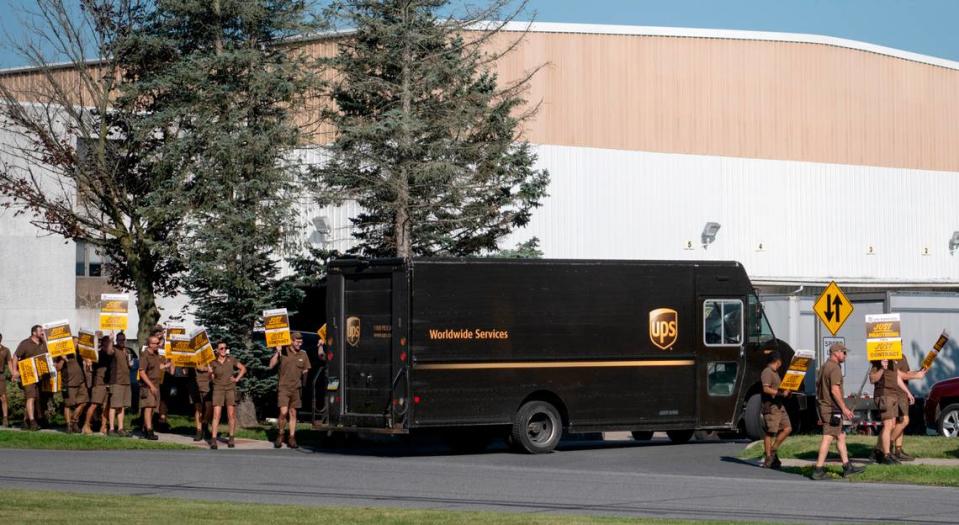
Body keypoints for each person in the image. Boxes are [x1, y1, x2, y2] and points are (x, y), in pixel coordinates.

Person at [811, 343, 865, 480]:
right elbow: (835, 391)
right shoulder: (834, 368)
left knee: (841, 436)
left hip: (826, 407)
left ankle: (847, 467)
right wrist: (844, 409)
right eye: (844, 353)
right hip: (831, 409)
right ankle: (818, 469)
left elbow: (819, 387)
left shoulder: (824, 366)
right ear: (836, 352)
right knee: (828, 437)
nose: (845, 355)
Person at [269, 331, 311, 449]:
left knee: (293, 413)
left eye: (301, 341)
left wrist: (304, 381)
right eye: (297, 341)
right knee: (283, 412)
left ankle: (292, 437)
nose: (300, 343)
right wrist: (277, 352)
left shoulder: (303, 354)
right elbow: (271, 365)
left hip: (296, 388)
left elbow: (306, 369)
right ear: (291, 341)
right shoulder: (283, 351)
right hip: (283, 387)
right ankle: (281, 434)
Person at [870, 357, 912, 464]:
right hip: (884, 395)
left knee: (892, 425)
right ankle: (886, 455)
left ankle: (880, 452)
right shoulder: (878, 361)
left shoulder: (894, 361)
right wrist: (882, 368)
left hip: (893, 396)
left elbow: (897, 378)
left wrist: (907, 392)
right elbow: (872, 379)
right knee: (888, 425)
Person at [209, 341, 247, 449]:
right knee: (217, 415)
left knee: (231, 415)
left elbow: (243, 368)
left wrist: (236, 379)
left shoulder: (231, 359)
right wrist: (210, 373)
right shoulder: (212, 362)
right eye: (221, 348)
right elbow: (210, 378)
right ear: (216, 350)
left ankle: (231, 438)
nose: (224, 350)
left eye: (225, 348)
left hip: (230, 388)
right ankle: (214, 440)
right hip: (218, 389)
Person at [890, 357, 926, 461]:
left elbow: (907, 372)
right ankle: (887, 445)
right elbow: (899, 375)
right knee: (901, 422)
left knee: (901, 422)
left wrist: (918, 372)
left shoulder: (903, 357)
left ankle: (898, 450)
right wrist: (916, 376)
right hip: (894, 393)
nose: (900, 345)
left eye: (900, 342)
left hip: (902, 394)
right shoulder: (890, 358)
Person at [760, 352, 791, 469]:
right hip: (771, 406)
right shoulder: (767, 372)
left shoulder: (775, 373)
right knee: (770, 432)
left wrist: (786, 392)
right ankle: (768, 457)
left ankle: (773, 450)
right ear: (777, 361)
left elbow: (777, 388)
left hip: (779, 405)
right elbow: (766, 389)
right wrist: (780, 393)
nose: (781, 364)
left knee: (788, 428)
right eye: (780, 362)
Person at [138, 335, 172, 440]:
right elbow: (142, 372)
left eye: (158, 343)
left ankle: (146, 428)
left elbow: (158, 367)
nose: (158, 345)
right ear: (150, 344)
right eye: (156, 343)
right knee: (148, 408)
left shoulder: (156, 354)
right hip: (148, 386)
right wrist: (151, 386)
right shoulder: (145, 355)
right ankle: (149, 431)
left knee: (152, 408)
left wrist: (167, 365)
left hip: (156, 385)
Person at [13, 325, 47, 430]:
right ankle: (32, 422)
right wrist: (15, 371)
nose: (42, 332)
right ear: (34, 333)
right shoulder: (25, 343)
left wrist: (45, 339)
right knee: (31, 397)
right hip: (28, 375)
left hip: (40, 376)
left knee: (34, 398)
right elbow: (15, 356)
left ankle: (26, 421)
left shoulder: (43, 343)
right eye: (40, 330)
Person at [58, 340, 89, 433]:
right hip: (68, 383)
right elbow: (57, 368)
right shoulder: (63, 353)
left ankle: (74, 420)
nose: (76, 344)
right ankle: (69, 425)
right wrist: (63, 359)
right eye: (74, 342)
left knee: (84, 402)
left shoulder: (80, 354)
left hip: (81, 382)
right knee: (68, 405)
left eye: (77, 342)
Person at [83, 336, 112, 435]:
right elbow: (90, 369)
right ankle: (86, 425)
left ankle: (103, 427)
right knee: (94, 405)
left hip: (109, 383)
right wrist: (88, 364)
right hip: (99, 383)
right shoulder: (97, 355)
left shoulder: (111, 354)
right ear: (104, 343)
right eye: (109, 342)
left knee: (106, 407)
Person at [106, 333, 133, 436]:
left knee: (121, 406)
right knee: (114, 406)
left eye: (123, 339)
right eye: (120, 340)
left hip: (126, 381)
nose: (122, 341)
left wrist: (130, 362)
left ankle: (121, 428)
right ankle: (112, 429)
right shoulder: (114, 349)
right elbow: (109, 352)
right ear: (117, 340)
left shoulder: (127, 351)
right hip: (116, 381)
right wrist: (110, 340)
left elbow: (130, 365)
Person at [189, 364, 213, 442]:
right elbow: (197, 367)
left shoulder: (210, 355)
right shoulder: (194, 356)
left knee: (209, 406)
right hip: (195, 383)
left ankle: (205, 424)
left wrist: (209, 370)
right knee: (198, 407)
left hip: (207, 383)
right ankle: (199, 431)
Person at [0, 333, 15, 427]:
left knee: (3, 398)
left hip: (0, 376)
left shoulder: (5, 350)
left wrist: (13, 374)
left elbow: (9, 363)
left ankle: (5, 418)